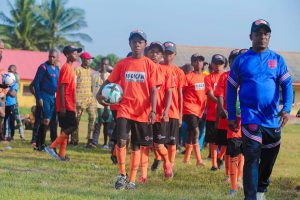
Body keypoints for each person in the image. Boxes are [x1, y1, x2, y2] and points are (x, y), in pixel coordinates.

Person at [226, 19, 293, 200]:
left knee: (269, 157)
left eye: (265, 33)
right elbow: (231, 88)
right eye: (258, 33)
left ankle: (261, 189)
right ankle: (251, 197)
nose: (262, 37)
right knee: (252, 157)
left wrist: (286, 108)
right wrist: (231, 115)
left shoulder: (277, 60)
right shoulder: (241, 60)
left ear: (269, 36)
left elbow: (287, 85)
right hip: (250, 117)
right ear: (251, 36)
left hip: (272, 118)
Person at [97, 30, 160, 190]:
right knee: (121, 140)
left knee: (137, 145)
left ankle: (132, 180)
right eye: (134, 41)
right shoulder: (122, 63)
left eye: (140, 41)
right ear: (129, 43)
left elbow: (154, 90)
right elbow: (110, 80)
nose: (137, 44)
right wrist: (99, 93)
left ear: (145, 44)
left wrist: (153, 110)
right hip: (124, 108)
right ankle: (122, 174)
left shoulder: (150, 65)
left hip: (142, 111)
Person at [45, 45, 82, 161]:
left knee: (65, 129)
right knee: (73, 126)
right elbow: (61, 87)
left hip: (69, 103)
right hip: (66, 104)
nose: (75, 53)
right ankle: (52, 147)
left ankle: (61, 155)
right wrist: (63, 106)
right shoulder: (66, 68)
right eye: (73, 52)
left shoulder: (71, 68)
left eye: (76, 52)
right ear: (67, 55)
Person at [215, 49, 244, 195]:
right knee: (232, 150)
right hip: (232, 120)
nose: (236, 62)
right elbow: (219, 94)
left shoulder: (249, 76)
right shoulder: (226, 77)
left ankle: (239, 178)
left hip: (249, 120)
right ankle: (233, 185)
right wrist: (222, 109)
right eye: (233, 59)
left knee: (243, 153)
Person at [146, 42, 174, 178]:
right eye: (151, 51)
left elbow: (169, 92)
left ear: (161, 55)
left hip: (159, 114)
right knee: (145, 145)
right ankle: (143, 175)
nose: (154, 54)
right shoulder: (143, 69)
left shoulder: (166, 71)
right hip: (143, 114)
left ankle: (167, 162)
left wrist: (166, 111)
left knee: (159, 145)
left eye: (157, 52)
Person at [161, 41, 185, 171]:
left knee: (172, 142)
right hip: (160, 111)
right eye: (165, 52)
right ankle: (163, 161)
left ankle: (170, 166)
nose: (167, 56)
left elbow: (180, 94)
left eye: (170, 53)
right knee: (159, 142)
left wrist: (181, 115)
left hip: (174, 111)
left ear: (174, 54)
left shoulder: (178, 72)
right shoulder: (157, 68)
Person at [33, 49, 60, 150]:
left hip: (54, 97)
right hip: (45, 96)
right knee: (46, 120)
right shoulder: (43, 67)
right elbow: (36, 83)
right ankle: (41, 144)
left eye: (53, 57)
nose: (51, 58)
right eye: (50, 56)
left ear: (57, 58)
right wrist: (39, 97)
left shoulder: (57, 69)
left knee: (52, 121)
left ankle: (42, 144)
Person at [182, 53, 206, 166]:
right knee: (196, 131)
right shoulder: (188, 77)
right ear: (192, 63)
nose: (198, 63)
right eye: (195, 61)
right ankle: (198, 160)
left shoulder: (205, 77)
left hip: (199, 110)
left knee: (191, 133)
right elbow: (181, 92)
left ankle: (186, 159)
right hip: (189, 108)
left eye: (200, 61)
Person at [205, 54, 226, 171]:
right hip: (212, 114)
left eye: (220, 63)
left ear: (224, 65)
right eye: (216, 63)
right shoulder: (208, 78)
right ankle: (214, 164)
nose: (218, 66)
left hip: (224, 114)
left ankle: (220, 157)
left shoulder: (227, 77)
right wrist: (220, 103)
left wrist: (223, 107)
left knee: (224, 140)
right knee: (213, 141)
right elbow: (209, 93)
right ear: (212, 64)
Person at [72, 52, 96, 147]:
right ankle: (74, 140)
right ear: (83, 60)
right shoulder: (77, 70)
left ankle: (89, 140)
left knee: (93, 117)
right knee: (76, 121)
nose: (89, 61)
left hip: (90, 99)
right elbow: (73, 84)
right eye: (88, 59)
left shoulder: (92, 71)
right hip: (78, 100)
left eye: (90, 59)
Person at [92, 57, 113, 148]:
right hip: (96, 104)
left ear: (108, 66)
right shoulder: (94, 75)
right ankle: (94, 142)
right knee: (97, 125)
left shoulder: (110, 76)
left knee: (107, 125)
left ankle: (106, 143)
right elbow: (91, 88)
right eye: (103, 64)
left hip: (107, 105)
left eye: (106, 64)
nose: (104, 66)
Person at [4, 73, 18, 141]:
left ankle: (11, 136)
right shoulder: (4, 83)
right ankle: (4, 135)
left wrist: (6, 90)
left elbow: (13, 94)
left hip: (11, 105)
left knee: (12, 121)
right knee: (4, 121)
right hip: (4, 105)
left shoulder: (15, 84)